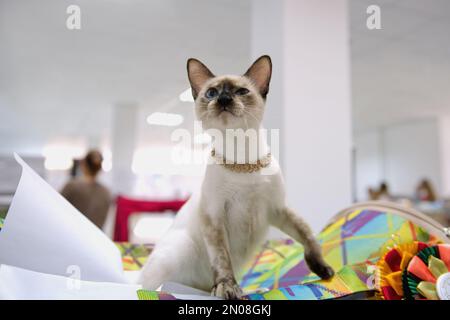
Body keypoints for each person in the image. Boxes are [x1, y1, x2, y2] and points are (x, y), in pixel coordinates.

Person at [61, 150, 111, 229]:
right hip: (94, 237)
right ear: (100, 168)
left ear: (83, 165)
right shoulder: (106, 192)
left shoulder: (71, 186)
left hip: (71, 234)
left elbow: (58, 210)